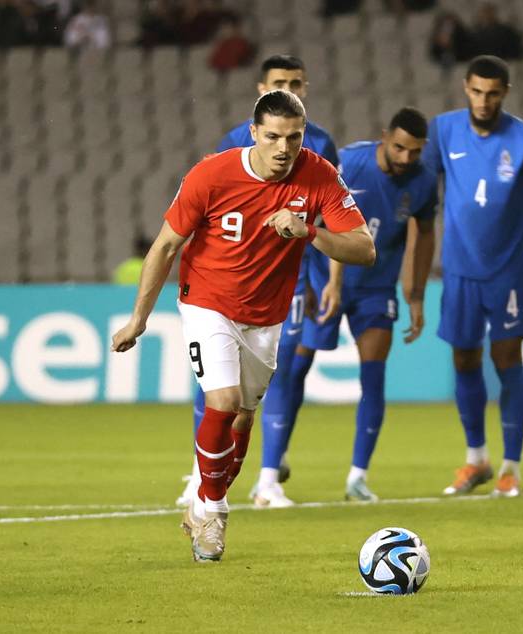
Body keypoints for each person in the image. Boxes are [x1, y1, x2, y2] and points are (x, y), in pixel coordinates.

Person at [111, 90, 375, 563]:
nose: (283, 148)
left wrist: (308, 230)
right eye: (273, 136)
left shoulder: (318, 174)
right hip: (207, 301)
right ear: (253, 132)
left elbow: (364, 249)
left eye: (293, 137)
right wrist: (139, 319)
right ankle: (214, 510)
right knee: (224, 401)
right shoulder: (210, 174)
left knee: (242, 419)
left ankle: (203, 499)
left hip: (266, 315)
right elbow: (167, 245)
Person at [176, 54, 341, 510]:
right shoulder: (232, 144)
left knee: (274, 382)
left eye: (296, 82)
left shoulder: (322, 145)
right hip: (227, 286)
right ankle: (201, 478)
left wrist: (333, 279)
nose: (290, 87)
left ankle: (269, 475)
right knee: (218, 387)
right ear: (259, 91)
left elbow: (336, 218)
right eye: (279, 82)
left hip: (295, 280)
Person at [268, 107, 437, 503]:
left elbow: (425, 234)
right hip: (327, 280)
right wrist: (326, 283)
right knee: (296, 366)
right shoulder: (349, 163)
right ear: (384, 137)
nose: (405, 159)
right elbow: (324, 221)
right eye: (399, 148)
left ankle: (358, 477)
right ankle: (277, 457)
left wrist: (415, 296)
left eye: (414, 152)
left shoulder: (424, 182)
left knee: (374, 376)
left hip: (376, 288)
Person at [421, 55, 523, 498]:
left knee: (506, 360)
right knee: (464, 359)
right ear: (466, 88)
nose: (484, 100)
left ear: (505, 93)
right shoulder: (442, 131)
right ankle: (476, 458)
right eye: (477, 91)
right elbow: (420, 191)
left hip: (508, 271)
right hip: (459, 270)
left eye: (493, 93)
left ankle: (511, 468)